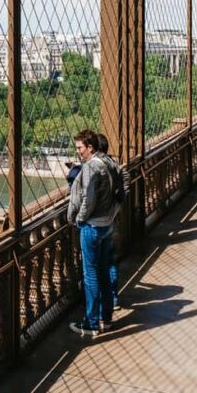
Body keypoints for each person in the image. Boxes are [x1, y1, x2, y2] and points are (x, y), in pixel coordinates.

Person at [67, 130, 117, 337]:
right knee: (104, 272)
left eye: (80, 148)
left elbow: (87, 199)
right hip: (107, 224)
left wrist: (79, 219)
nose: (78, 152)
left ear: (90, 147)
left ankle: (91, 323)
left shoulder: (90, 168)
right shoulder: (109, 163)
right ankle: (106, 318)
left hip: (93, 226)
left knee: (90, 276)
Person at [96, 133, 126, 313]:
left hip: (100, 221)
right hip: (113, 218)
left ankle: (101, 304)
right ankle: (113, 297)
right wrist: (117, 207)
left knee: (98, 264)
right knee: (111, 260)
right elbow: (126, 183)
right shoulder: (115, 165)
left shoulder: (96, 167)